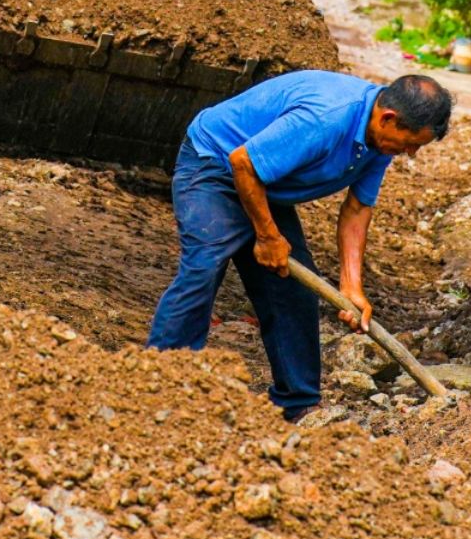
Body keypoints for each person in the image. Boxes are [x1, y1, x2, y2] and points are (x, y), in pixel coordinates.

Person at [146, 72, 453, 421]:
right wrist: (266, 237)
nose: (410, 153)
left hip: (265, 181)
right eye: (412, 143)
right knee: (205, 266)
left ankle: (298, 404)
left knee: (292, 289)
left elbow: (357, 208)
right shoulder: (326, 118)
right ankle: (161, 381)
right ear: (388, 118)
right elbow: (242, 163)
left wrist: (351, 286)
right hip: (215, 164)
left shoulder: (380, 139)